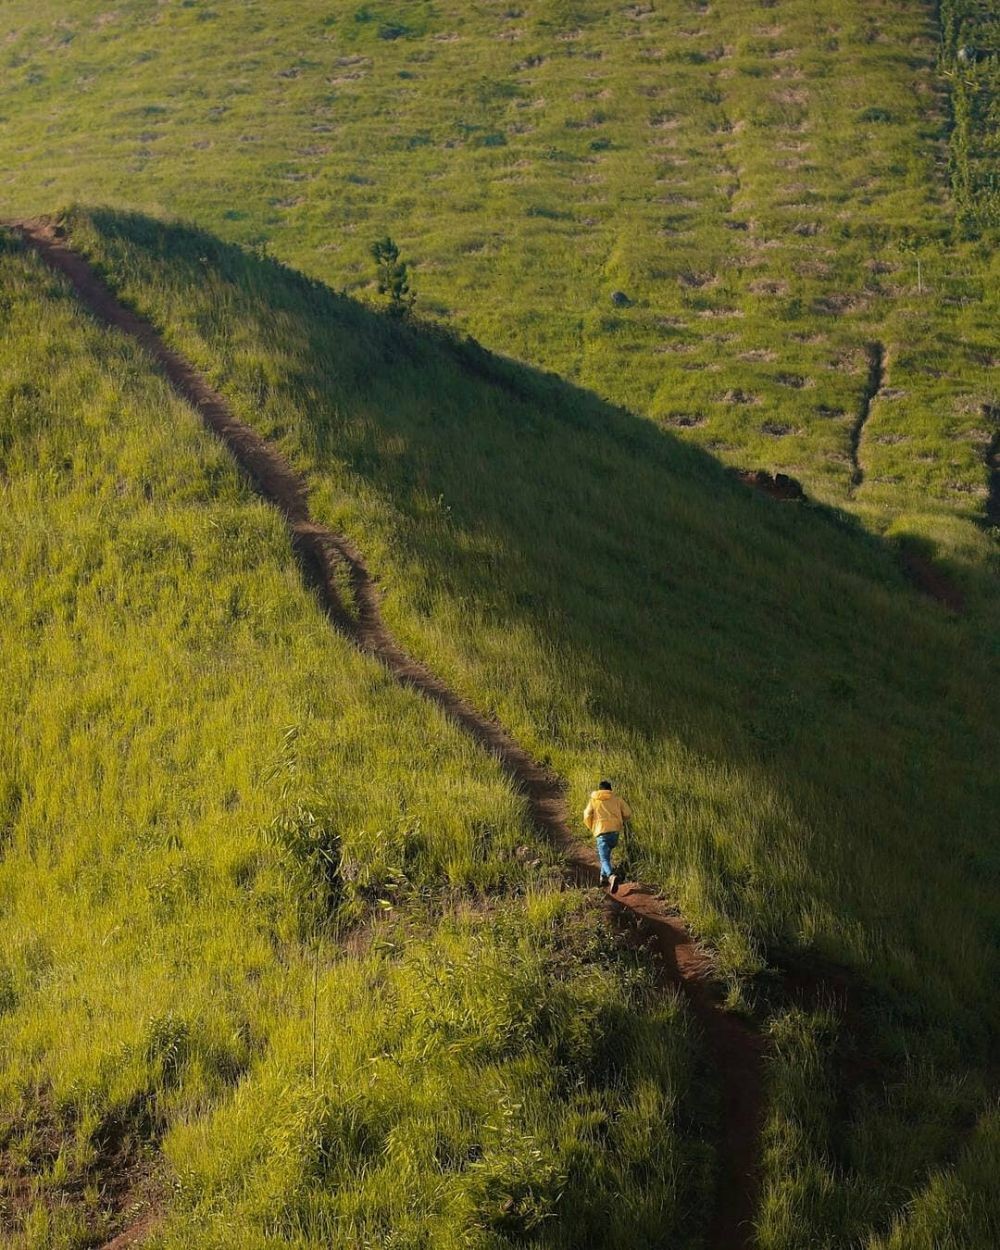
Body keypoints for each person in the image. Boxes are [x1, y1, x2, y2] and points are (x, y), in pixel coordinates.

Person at [583, 780, 632, 893]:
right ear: (610, 790)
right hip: (615, 833)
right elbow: (628, 813)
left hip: (601, 832)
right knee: (606, 855)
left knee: (604, 858)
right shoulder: (616, 799)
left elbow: (586, 815)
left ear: (599, 789)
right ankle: (603, 879)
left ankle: (611, 876)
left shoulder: (593, 800)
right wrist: (620, 821)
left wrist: (592, 827)